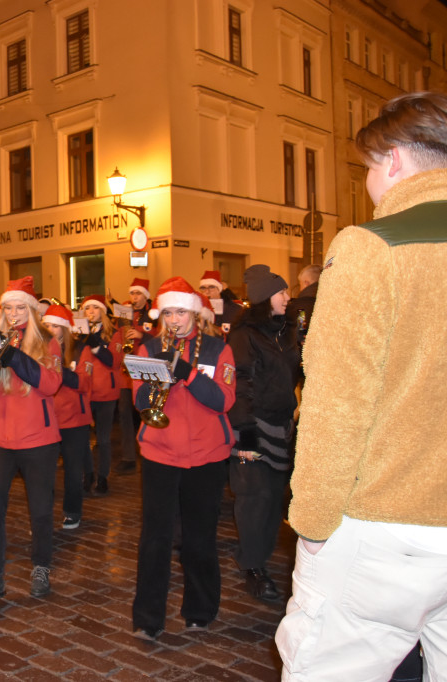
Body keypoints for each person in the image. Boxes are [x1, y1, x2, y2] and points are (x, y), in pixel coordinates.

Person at [276, 92, 447, 680]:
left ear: (394, 160)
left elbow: (336, 403)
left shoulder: (371, 246)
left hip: (384, 524)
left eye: (369, 167)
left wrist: (313, 521)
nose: (370, 181)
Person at [131, 277, 235, 640]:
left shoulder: (217, 349)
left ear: (194, 312)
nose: (175, 320)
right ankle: (148, 618)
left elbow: (223, 401)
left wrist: (186, 374)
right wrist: (155, 378)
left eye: (181, 312)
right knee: (155, 538)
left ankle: (200, 611)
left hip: (206, 455)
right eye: (169, 312)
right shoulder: (148, 348)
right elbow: (141, 403)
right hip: (161, 451)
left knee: (199, 538)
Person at [0, 276, 62, 602]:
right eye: (8, 307)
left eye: (20, 307)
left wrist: (16, 358)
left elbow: (50, 384)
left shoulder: (48, 340)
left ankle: (41, 567)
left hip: (38, 439)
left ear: (32, 310)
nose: (13, 313)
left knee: (40, 510)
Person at [226, 264, 300, 602]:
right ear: (265, 298)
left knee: (273, 500)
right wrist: (245, 435)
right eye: (282, 292)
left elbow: (294, 372)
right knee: (255, 499)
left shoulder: (285, 330)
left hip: (282, 426)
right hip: (253, 428)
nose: (288, 297)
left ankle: (260, 558)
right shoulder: (244, 336)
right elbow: (241, 384)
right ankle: (253, 566)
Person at [43, 304, 92, 530]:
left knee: (73, 469)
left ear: (65, 328)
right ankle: (42, 514)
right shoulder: (38, 348)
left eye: (55, 326)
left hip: (74, 419)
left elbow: (84, 383)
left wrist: (58, 369)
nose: (50, 330)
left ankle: (73, 511)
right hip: (47, 417)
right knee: (44, 471)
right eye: (46, 325)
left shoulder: (80, 349)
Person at [78, 294, 127, 489]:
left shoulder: (114, 333)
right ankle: (88, 474)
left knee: (103, 438)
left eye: (95, 308)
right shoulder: (78, 333)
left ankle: (103, 477)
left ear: (103, 311)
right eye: (87, 308)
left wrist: (94, 343)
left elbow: (113, 361)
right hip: (84, 390)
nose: (91, 312)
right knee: (83, 437)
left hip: (105, 392)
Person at [284, 264, 321, 346]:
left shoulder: (301, 306)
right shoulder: (330, 302)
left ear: (306, 283)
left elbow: (300, 331)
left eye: (300, 284)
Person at [198, 270, 243, 335]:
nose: (207, 292)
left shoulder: (234, 309)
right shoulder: (197, 308)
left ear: (219, 289)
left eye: (211, 287)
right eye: (203, 288)